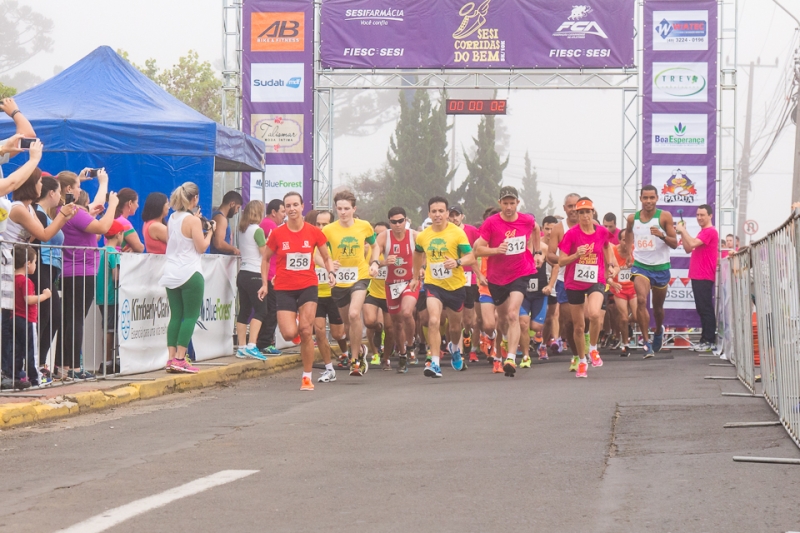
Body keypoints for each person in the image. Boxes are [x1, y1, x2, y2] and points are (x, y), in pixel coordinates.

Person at [259, 192, 335, 391]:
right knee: (288, 333)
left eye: (295, 205)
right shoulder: (277, 233)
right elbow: (265, 259)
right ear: (284, 210)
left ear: (302, 206)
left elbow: (326, 257)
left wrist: (331, 272)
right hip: (284, 288)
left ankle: (306, 377)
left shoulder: (314, 232)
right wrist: (265, 284)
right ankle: (300, 325)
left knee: (305, 331)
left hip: (308, 285)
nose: (292, 209)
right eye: (288, 206)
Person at [55, 172, 118, 379]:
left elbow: (89, 215)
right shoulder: (72, 211)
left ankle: (63, 366)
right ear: (69, 190)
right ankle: (71, 367)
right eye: (78, 186)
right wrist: (113, 205)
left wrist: (100, 184)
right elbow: (103, 227)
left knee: (69, 319)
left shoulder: (61, 211)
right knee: (75, 320)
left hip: (69, 270)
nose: (81, 190)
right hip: (82, 270)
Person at [474, 186, 539, 377]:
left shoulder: (526, 219)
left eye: (512, 203)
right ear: (499, 203)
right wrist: (496, 250)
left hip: (521, 272)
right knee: (502, 318)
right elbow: (478, 250)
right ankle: (503, 340)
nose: (509, 207)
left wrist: (537, 252)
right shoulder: (491, 223)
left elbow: (536, 228)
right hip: (497, 277)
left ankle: (511, 357)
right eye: (505, 203)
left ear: (518, 203)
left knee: (513, 314)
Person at [411, 196, 475, 378]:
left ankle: (454, 347)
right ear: (429, 213)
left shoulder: (457, 233)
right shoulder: (424, 235)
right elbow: (417, 254)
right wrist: (416, 276)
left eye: (441, 211)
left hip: (455, 286)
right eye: (434, 211)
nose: (438, 215)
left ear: (447, 213)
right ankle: (435, 363)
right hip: (434, 284)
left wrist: (457, 262)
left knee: (455, 328)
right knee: (433, 320)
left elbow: (471, 256)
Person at [159, 182, 215, 374]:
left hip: (171, 271)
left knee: (176, 316)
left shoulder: (172, 218)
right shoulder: (193, 221)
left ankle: (170, 358)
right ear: (195, 199)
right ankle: (181, 358)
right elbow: (201, 247)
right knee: (190, 316)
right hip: (190, 271)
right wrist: (209, 233)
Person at [558, 197, 617, 378]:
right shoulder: (571, 234)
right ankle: (582, 361)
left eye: (587, 212)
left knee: (594, 314)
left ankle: (593, 348)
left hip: (595, 279)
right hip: (574, 282)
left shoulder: (601, 231)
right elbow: (561, 260)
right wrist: (576, 254)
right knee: (578, 326)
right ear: (577, 214)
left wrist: (611, 265)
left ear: (593, 213)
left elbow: (607, 247)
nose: (584, 216)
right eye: (581, 212)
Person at [322, 190, 377, 376]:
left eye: (346, 208)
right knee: (347, 324)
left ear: (354, 209)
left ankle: (355, 360)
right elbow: (317, 253)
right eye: (339, 209)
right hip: (339, 280)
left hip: (360, 276)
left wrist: (374, 262)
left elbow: (375, 245)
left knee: (355, 314)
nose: (343, 212)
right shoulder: (328, 230)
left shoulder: (364, 226)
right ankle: (360, 348)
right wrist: (329, 264)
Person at [624, 185, 678, 358]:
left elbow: (675, 243)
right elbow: (628, 233)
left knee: (658, 308)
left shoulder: (664, 217)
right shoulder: (633, 218)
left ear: (656, 198)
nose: (648, 201)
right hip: (641, 266)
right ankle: (646, 342)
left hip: (661, 267)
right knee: (641, 300)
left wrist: (661, 235)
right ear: (640, 199)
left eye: (651, 198)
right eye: (645, 198)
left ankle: (658, 331)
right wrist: (628, 253)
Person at [370, 206, 420, 374]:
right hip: (391, 284)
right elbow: (373, 257)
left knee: (407, 313)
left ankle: (411, 343)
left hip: (410, 281)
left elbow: (426, 254)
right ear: (389, 222)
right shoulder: (384, 237)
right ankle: (403, 355)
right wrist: (382, 263)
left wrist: (421, 269)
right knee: (396, 323)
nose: (398, 225)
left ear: (406, 221)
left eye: (401, 221)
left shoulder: (414, 236)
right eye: (394, 222)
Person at [305, 209, 348, 383]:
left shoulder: (337, 240)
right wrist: (326, 265)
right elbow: (315, 257)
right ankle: (329, 368)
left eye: (325, 224)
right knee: (320, 331)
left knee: (338, 334)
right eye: (318, 224)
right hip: (317, 293)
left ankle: (346, 351)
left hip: (336, 293)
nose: (322, 227)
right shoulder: (309, 242)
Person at [32, 176, 65, 375]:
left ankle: (40, 362)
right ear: (51, 193)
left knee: (52, 316)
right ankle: (34, 362)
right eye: (59, 192)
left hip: (49, 269)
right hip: (40, 267)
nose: (61, 196)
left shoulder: (44, 213)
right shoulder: (38, 213)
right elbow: (43, 235)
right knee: (46, 315)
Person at [676, 204, 719, 352]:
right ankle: (704, 339)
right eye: (698, 215)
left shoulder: (710, 231)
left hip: (704, 274)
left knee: (705, 308)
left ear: (710, 216)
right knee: (702, 308)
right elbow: (689, 248)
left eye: (702, 215)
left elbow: (692, 243)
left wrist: (683, 230)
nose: (699, 217)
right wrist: (683, 232)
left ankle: (709, 340)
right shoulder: (703, 232)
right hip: (697, 274)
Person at [547, 193, 581, 371]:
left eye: (576, 206)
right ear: (564, 208)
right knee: (569, 322)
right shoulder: (559, 229)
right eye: (570, 206)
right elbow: (550, 254)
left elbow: (604, 247)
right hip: (565, 279)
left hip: (587, 279)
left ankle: (588, 345)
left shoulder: (593, 225)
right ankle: (576, 355)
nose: (574, 209)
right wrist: (561, 259)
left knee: (589, 317)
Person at [234, 200, 269, 361]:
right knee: (261, 310)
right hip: (255, 272)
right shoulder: (257, 230)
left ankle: (241, 347)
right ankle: (252, 345)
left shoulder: (241, 229)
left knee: (245, 310)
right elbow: (264, 254)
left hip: (243, 273)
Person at [12, 245, 50, 387]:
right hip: (27, 319)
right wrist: (44, 296)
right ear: (27, 264)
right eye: (34, 262)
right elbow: (29, 299)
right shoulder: (26, 281)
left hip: (14, 318)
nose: (35, 265)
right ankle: (35, 378)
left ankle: (17, 375)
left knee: (17, 349)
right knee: (31, 351)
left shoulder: (12, 279)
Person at [448, 204, 481, 363]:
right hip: (452, 278)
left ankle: (467, 333)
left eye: (457, 215)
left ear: (462, 216)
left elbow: (479, 249)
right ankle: (459, 351)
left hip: (470, 278)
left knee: (469, 320)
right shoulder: (446, 232)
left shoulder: (472, 231)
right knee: (456, 317)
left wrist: (479, 273)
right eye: (452, 215)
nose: (454, 218)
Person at [255, 198, 286, 355]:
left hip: (271, 272)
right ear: (273, 212)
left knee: (269, 309)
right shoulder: (270, 225)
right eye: (282, 212)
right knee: (272, 309)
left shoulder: (267, 225)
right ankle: (265, 342)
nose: (284, 215)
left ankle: (264, 341)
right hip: (271, 274)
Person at [96, 221, 124, 374]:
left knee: (107, 327)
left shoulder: (100, 251)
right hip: (112, 296)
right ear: (119, 234)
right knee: (110, 329)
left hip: (101, 296)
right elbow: (116, 276)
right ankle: (108, 362)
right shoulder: (113, 253)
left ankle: (107, 361)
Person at [364, 221, 392, 369]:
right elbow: (368, 263)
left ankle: (386, 358)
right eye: (376, 233)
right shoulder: (371, 248)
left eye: (382, 233)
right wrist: (383, 263)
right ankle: (375, 348)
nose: (378, 236)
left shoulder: (394, 247)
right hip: (373, 291)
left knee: (390, 327)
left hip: (390, 293)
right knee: (369, 322)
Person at [609, 229, 636, 357]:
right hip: (619, 288)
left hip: (633, 287)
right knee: (624, 317)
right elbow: (608, 268)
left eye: (630, 239)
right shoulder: (613, 251)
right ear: (619, 240)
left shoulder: (636, 250)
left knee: (636, 316)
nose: (627, 243)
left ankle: (626, 326)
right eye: (624, 239)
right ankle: (625, 344)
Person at [538, 216, 560, 359]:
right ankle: (541, 343)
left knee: (552, 316)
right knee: (543, 318)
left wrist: (551, 284)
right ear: (542, 229)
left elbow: (557, 266)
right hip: (537, 284)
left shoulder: (559, 246)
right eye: (547, 228)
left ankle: (550, 342)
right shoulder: (537, 245)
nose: (549, 232)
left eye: (552, 229)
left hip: (554, 284)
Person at [208, 190, 242, 255]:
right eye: (237, 208)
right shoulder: (220, 218)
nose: (237, 211)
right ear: (232, 204)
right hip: (217, 261)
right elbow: (219, 243)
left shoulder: (217, 216)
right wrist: (233, 249)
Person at [113, 187, 144, 253]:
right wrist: (134, 248)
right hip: (120, 260)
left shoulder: (112, 219)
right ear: (130, 203)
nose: (137, 206)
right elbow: (139, 248)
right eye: (136, 202)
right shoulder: (124, 223)